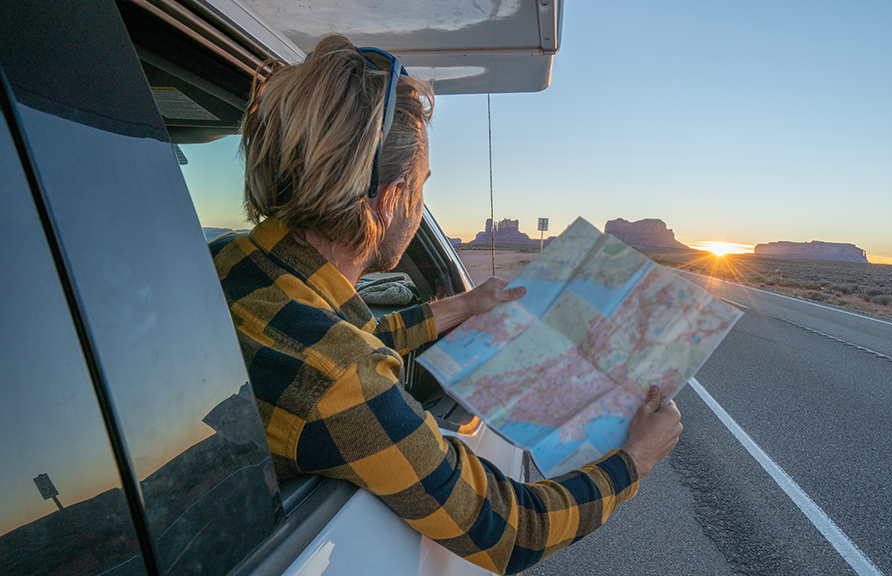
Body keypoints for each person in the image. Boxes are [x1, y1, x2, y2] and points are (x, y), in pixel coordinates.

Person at [211, 33, 683, 575]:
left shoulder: (230, 262)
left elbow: (322, 337)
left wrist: (459, 308)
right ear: (390, 201)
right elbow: (511, 529)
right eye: (421, 188)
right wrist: (636, 460)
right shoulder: (345, 382)